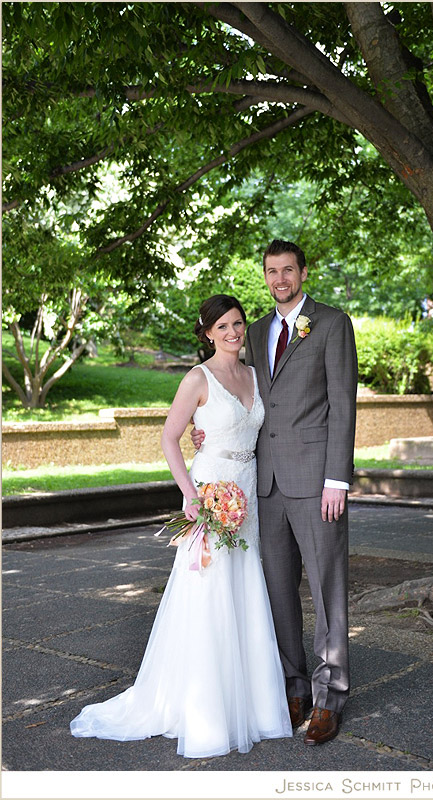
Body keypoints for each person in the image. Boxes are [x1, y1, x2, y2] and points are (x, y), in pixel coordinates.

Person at [70, 294, 292, 758]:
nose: (232, 333)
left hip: (248, 491)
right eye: (223, 327)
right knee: (207, 591)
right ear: (207, 332)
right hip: (212, 491)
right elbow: (170, 437)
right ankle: (206, 711)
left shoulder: (255, 375)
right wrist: (191, 494)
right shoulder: (198, 378)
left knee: (247, 589)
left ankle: (253, 705)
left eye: (238, 324)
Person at [192, 240, 358, 746]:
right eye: (272, 271)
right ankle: (293, 687)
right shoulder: (256, 331)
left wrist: (337, 479)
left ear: (303, 272)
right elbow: (238, 397)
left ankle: (330, 697)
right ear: (264, 276)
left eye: (288, 270)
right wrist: (207, 433)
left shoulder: (332, 324)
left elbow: (343, 404)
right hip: (264, 487)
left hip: (316, 483)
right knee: (278, 590)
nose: (280, 279)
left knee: (328, 590)